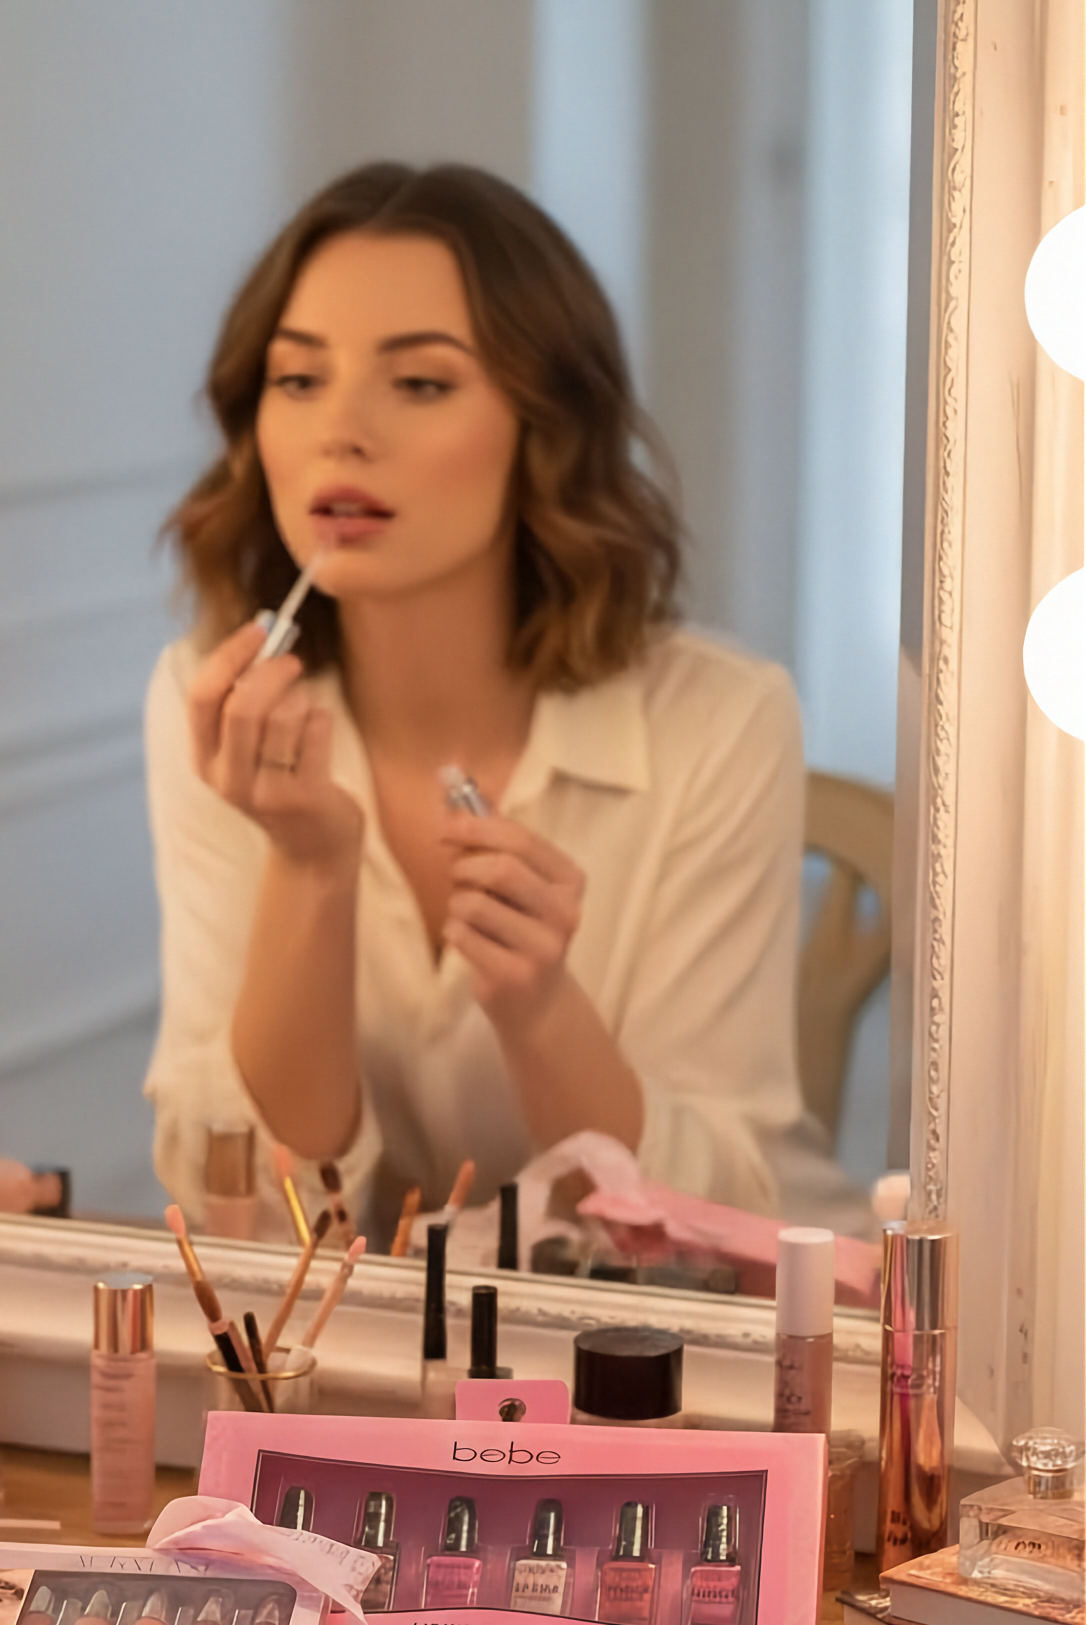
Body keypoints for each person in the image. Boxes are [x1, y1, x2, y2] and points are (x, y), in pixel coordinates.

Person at [145, 162, 811, 1239]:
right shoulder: (208, 702)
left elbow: (707, 1217)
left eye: (419, 384)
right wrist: (308, 870)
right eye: (298, 379)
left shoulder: (721, 722)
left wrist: (540, 1010)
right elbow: (252, 1213)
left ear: (541, 428)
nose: (341, 430)